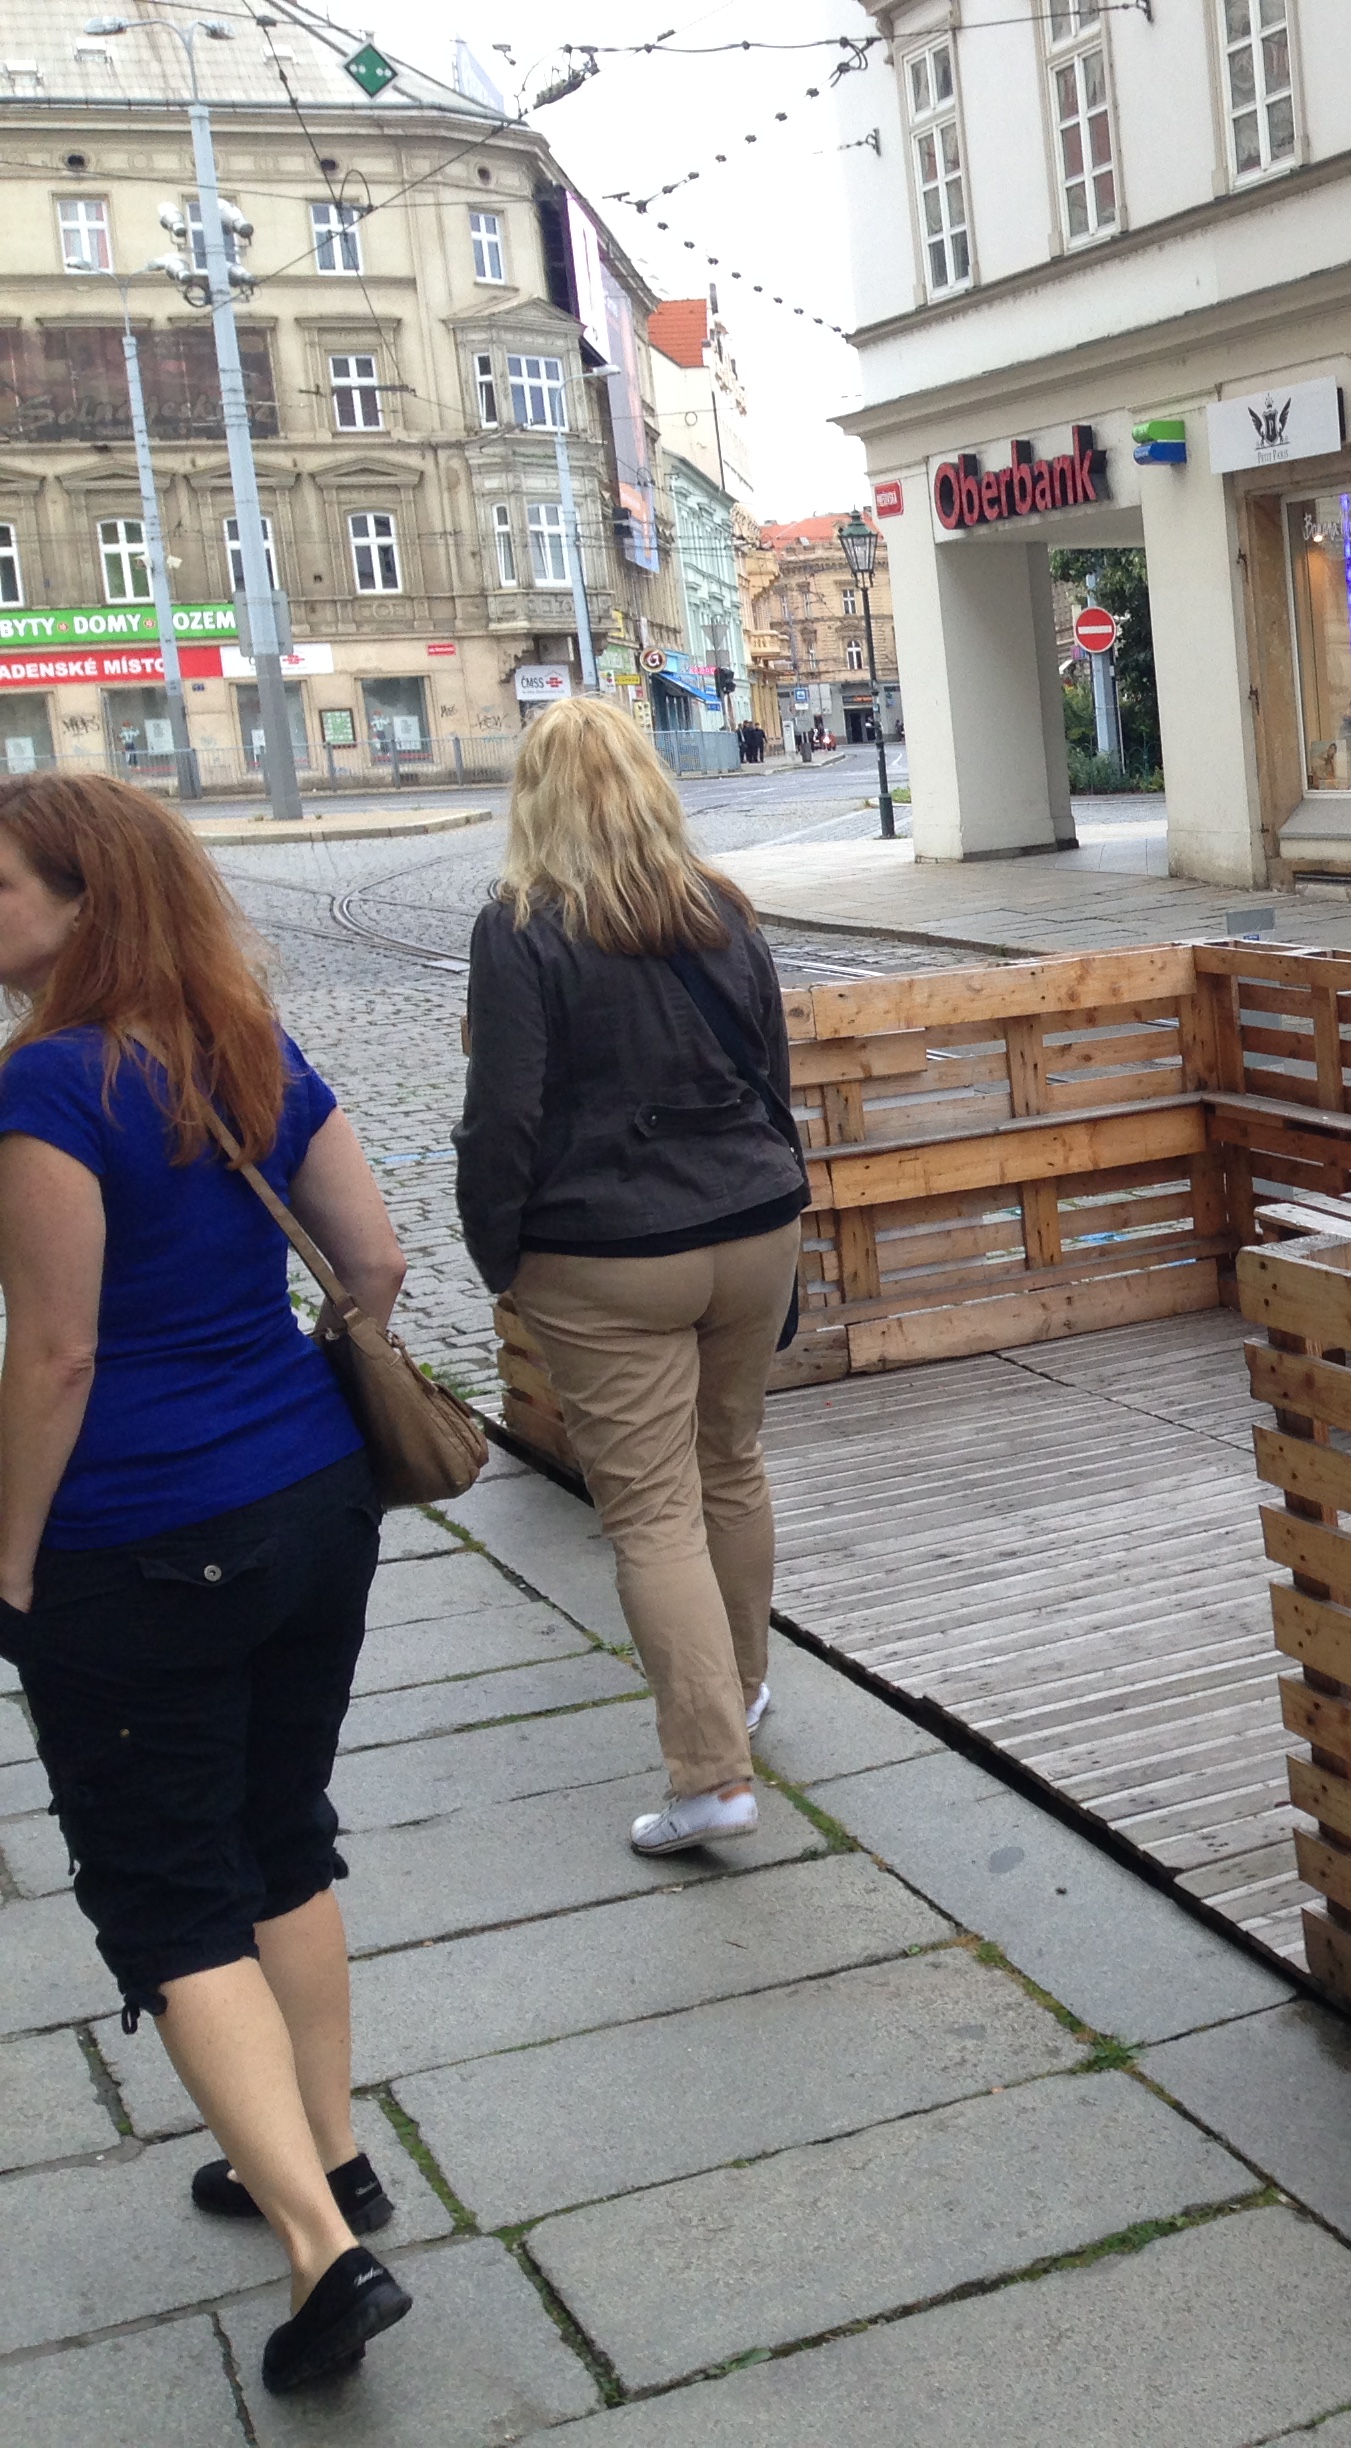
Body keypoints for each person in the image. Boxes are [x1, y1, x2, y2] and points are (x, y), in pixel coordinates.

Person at [0, 775, 417, 2393]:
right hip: (314, 1500)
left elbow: (56, 1355)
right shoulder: (246, 1043)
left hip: (140, 1537)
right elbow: (374, 1262)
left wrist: (12, 1562)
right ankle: (326, 2153)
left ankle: (323, 2254)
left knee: (170, 1886)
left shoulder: (47, 1086)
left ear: (81, 905)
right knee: (277, 1830)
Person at [456, 695, 806, 1857]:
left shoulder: (520, 929)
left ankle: (711, 1777)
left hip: (606, 1252)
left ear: (534, 802)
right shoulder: (723, 910)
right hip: (753, 1225)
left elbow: (502, 1116)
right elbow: (772, 1077)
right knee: (731, 1463)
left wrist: (497, 1251)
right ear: (653, 788)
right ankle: (742, 1689)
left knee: (652, 1512)